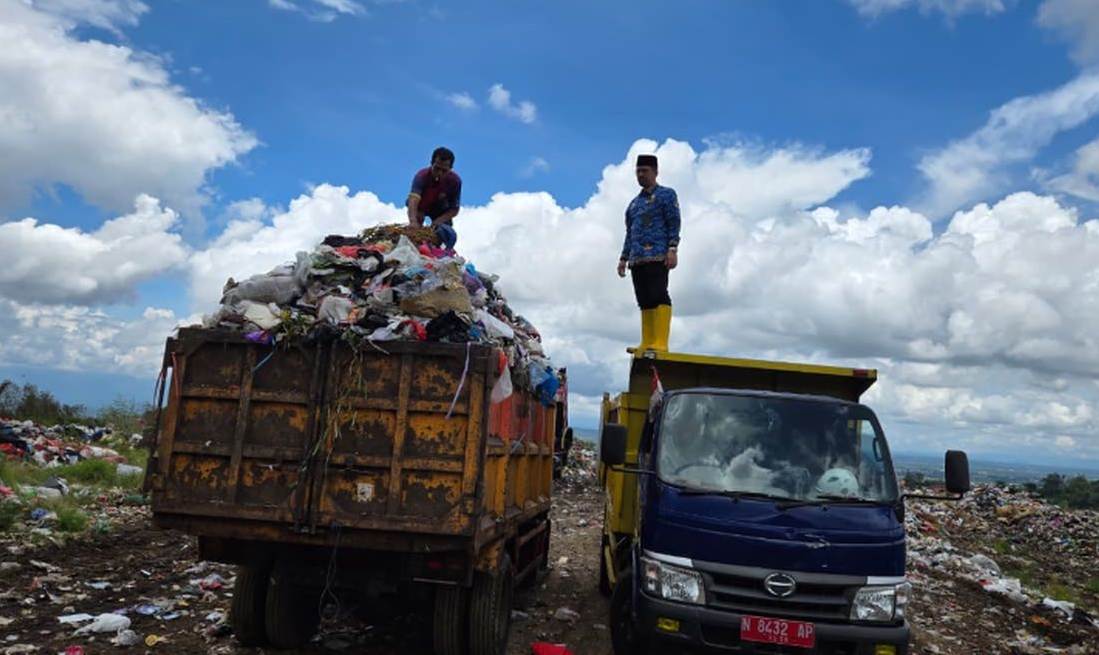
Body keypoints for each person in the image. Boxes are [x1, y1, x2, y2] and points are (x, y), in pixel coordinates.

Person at [617, 153, 680, 353]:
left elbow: (674, 222)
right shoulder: (633, 205)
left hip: (657, 254)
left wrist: (672, 248)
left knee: (658, 294)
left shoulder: (666, 195)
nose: (641, 175)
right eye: (638, 171)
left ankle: (660, 342)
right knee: (643, 299)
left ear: (655, 172)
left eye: (645, 171)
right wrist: (623, 258)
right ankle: (647, 341)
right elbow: (630, 233)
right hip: (636, 259)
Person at [407, 147, 462, 249]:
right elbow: (413, 200)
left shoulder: (455, 181)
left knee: (444, 231)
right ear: (431, 164)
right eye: (437, 168)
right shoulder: (421, 176)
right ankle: (416, 245)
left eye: (444, 171)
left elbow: (454, 209)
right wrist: (413, 221)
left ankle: (440, 250)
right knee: (416, 228)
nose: (439, 173)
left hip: (440, 210)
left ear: (451, 169)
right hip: (422, 205)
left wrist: (438, 221)